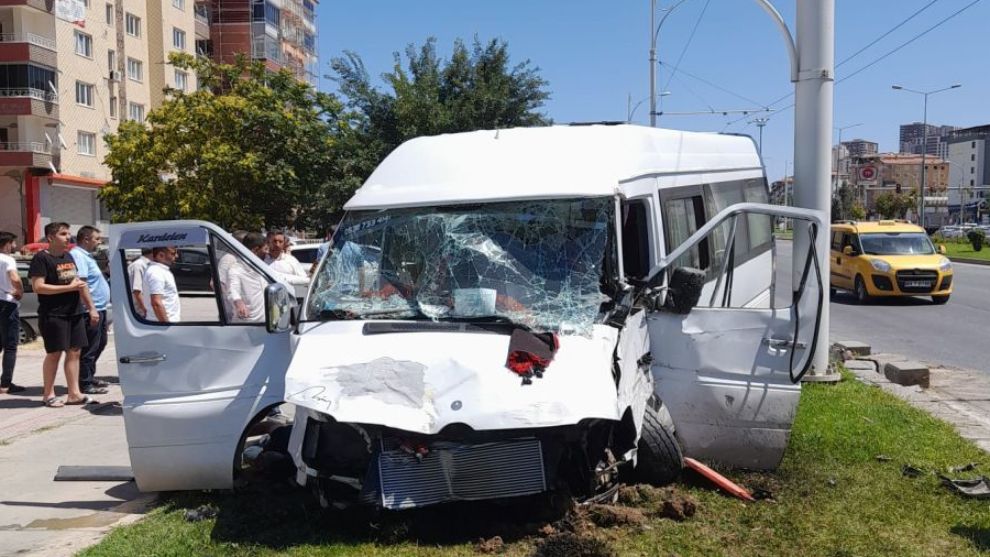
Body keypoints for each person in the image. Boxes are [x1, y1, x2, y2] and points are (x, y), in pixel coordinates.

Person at [29, 222, 98, 407]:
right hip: (53, 314)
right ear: (51, 238)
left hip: (74, 312)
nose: (68, 237)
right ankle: (48, 394)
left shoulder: (68, 256)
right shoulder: (41, 259)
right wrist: (68, 288)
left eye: (69, 234)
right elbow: (38, 287)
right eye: (63, 234)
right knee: (54, 353)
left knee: (75, 351)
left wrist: (91, 307)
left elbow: (79, 284)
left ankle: (74, 393)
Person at [70, 226, 111, 395]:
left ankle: (89, 375)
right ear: (86, 239)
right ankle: (84, 383)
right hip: (91, 309)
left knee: (100, 343)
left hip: (99, 308)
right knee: (90, 347)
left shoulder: (87, 256)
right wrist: (91, 308)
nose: (99, 242)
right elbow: (82, 284)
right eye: (97, 239)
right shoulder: (78, 256)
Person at [0, 231, 24, 394]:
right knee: (10, 346)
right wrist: (20, 290)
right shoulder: (7, 259)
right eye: (13, 243)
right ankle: (5, 384)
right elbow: (14, 278)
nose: (14, 246)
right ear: (6, 244)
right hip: (6, 303)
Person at [229, 233, 271, 323]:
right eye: (265, 249)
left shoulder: (263, 267)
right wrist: (238, 302)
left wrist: (307, 280)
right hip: (246, 325)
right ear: (255, 250)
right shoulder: (236, 269)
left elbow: (281, 277)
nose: (267, 252)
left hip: (265, 324)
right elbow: (232, 290)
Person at [144, 247, 180, 323]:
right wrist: (166, 326)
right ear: (160, 255)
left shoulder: (161, 270)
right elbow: (156, 303)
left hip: (164, 323)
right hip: (161, 324)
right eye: (173, 253)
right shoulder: (156, 272)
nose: (176, 256)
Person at [127, 248, 152, 318]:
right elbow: (137, 291)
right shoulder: (138, 265)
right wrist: (145, 311)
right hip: (140, 313)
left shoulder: (146, 264)